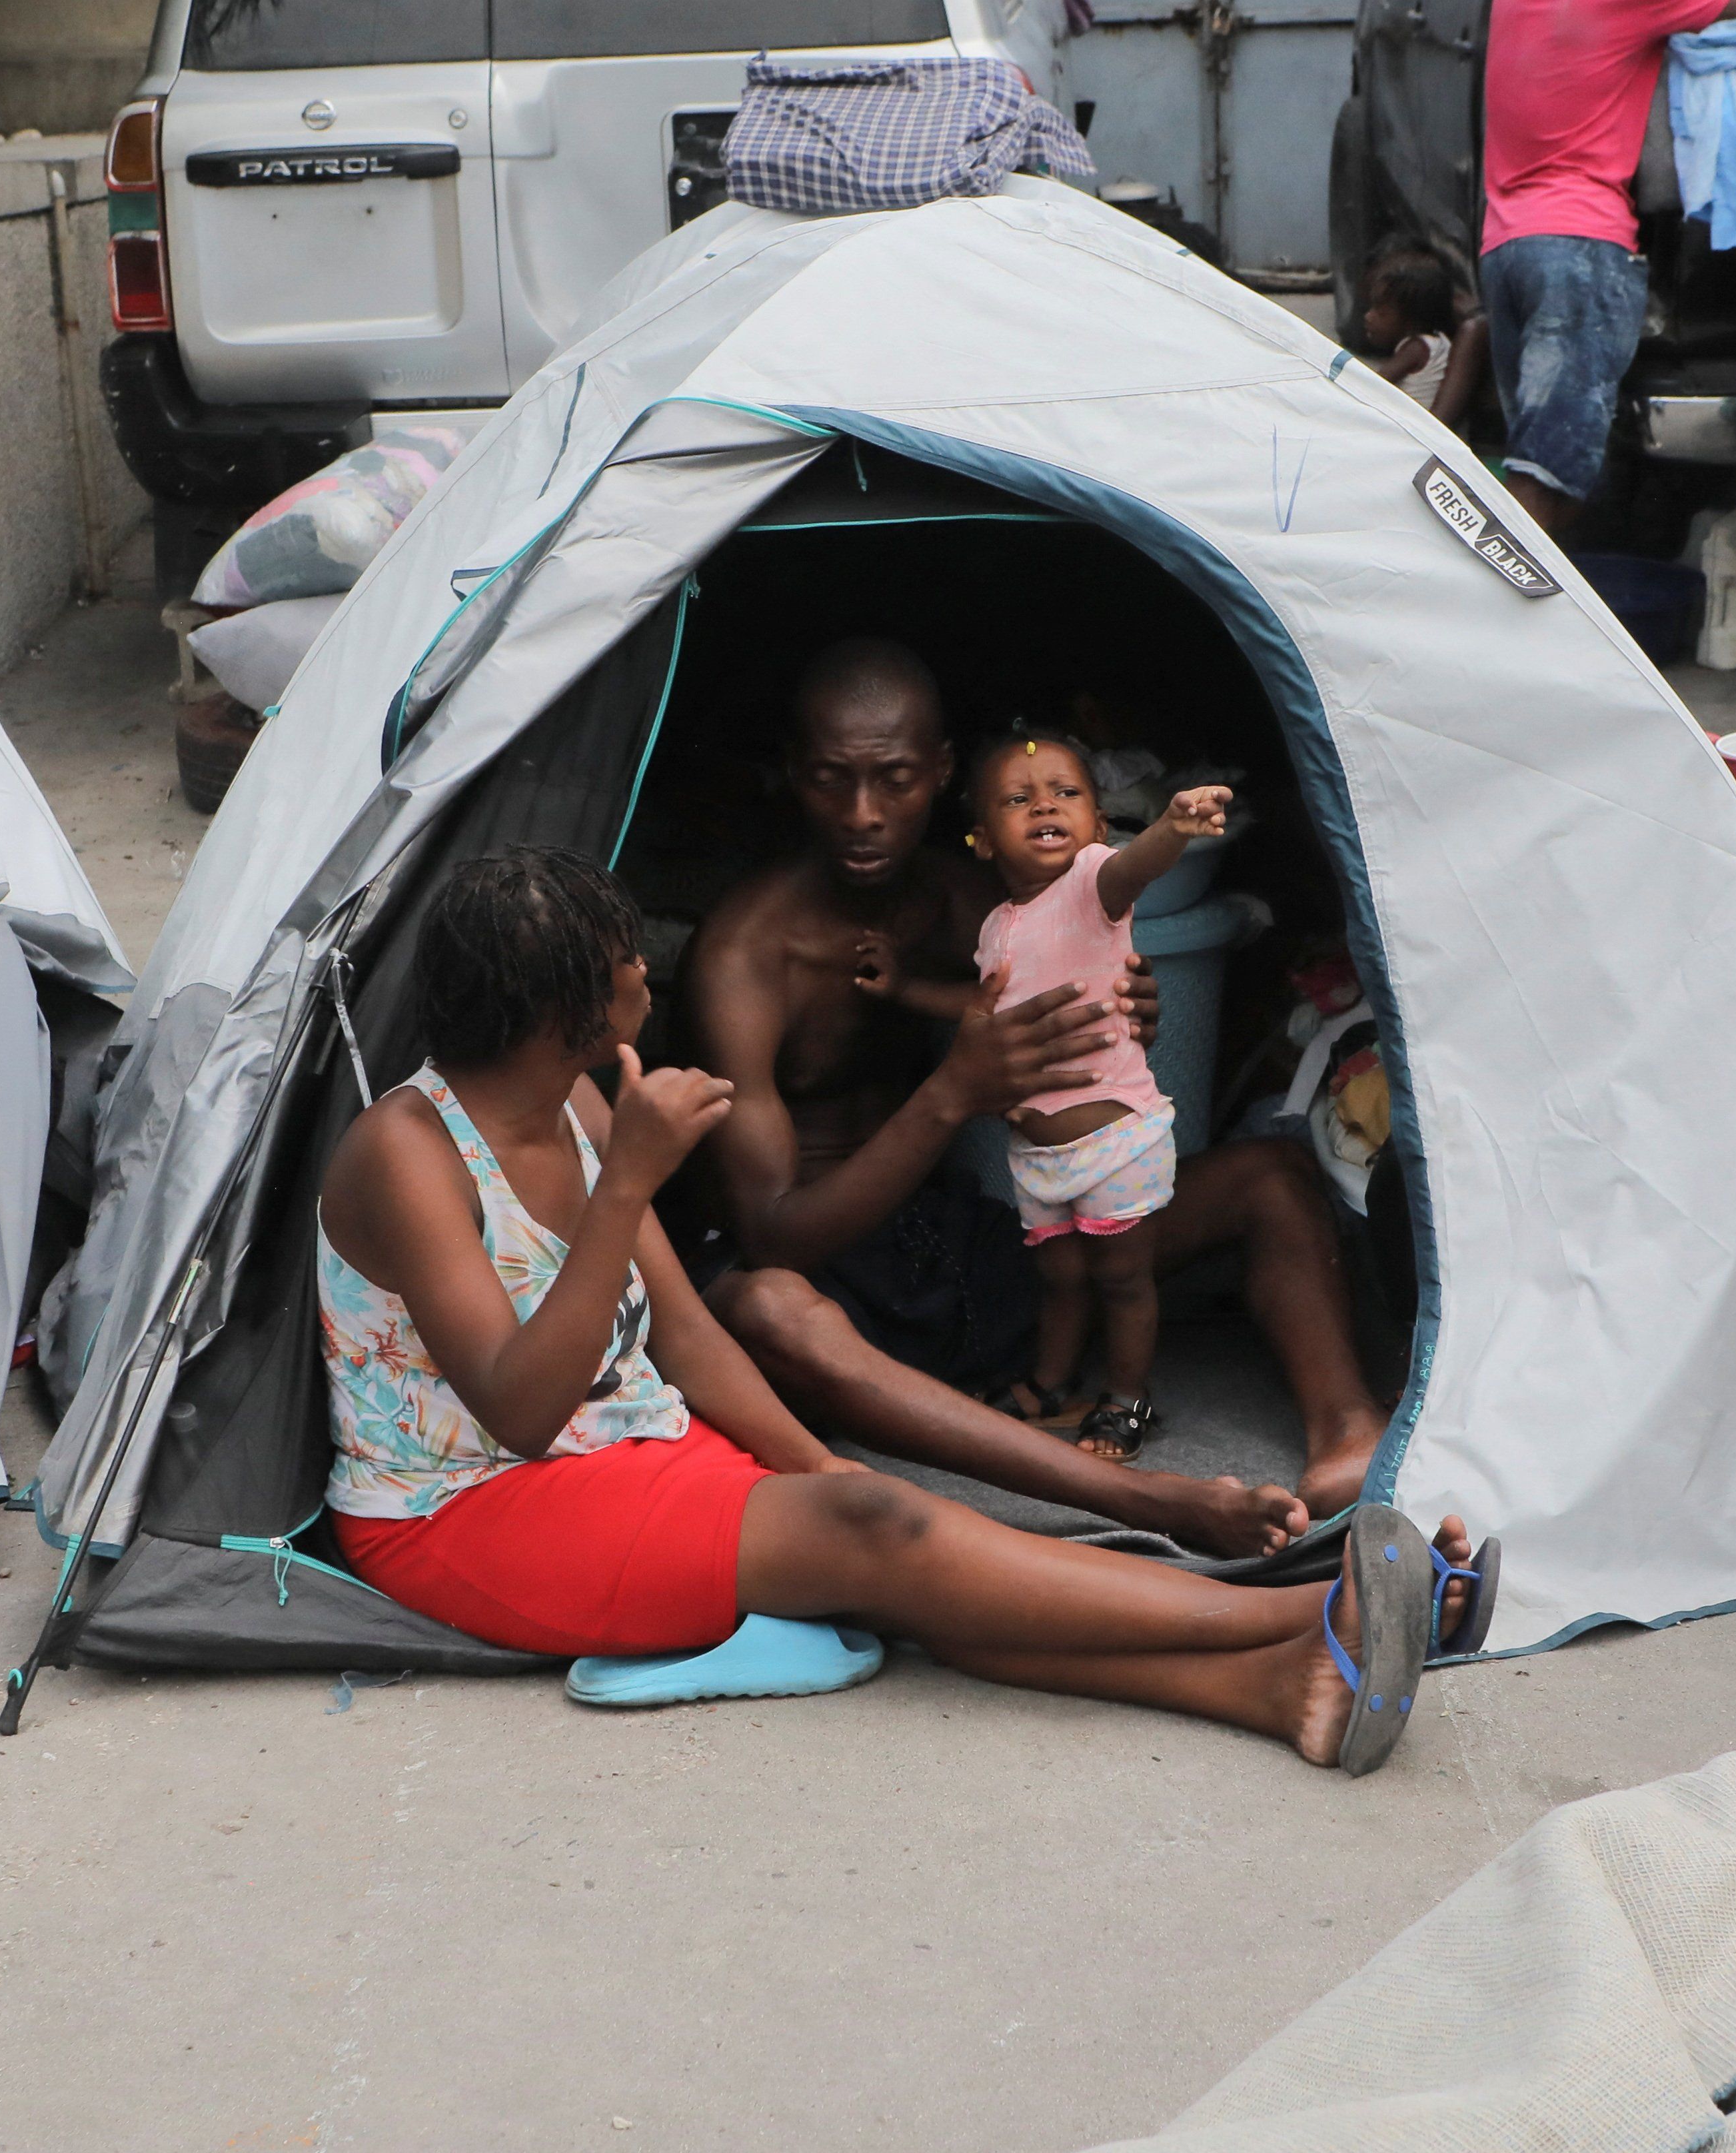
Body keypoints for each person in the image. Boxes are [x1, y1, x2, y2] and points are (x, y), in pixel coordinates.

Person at [315, 846, 1471, 1775]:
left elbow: (686, 1333)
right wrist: (630, 1185)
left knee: (887, 1543)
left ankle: (1285, 1685)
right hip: (462, 1508)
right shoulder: (407, 1154)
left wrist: (809, 1464)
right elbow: (518, 1411)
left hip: (620, 1446)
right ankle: (1313, 1612)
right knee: (892, 1537)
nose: (646, 977)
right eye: (626, 964)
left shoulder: (581, 1095)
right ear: (567, 1009)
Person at [683, 640, 1390, 1557]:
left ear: (940, 774)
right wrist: (951, 1096)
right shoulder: (743, 956)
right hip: (826, 1280)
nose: (863, 815)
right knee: (766, 1308)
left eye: (894, 780)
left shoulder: (964, 891)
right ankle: (1140, 1497)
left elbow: (1084, 957)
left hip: (955, 1243)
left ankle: (1348, 1427)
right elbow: (771, 1228)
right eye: (831, 781)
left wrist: (1131, 1005)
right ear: (792, 776)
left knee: (1268, 1175)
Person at [942, 738, 1231, 1461]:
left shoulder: (1091, 883)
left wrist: (1171, 825)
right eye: (1017, 798)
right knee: (1060, 1277)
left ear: (1099, 828)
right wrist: (903, 992)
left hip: (1115, 1142)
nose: (1043, 803)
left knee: (1124, 1278)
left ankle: (1128, 1396)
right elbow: (979, 1006)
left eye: (1064, 793)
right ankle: (1052, 1380)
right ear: (980, 839)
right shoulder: (996, 927)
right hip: (1036, 1154)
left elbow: (1139, 866)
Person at [1478, 0, 1736, 540]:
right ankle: (1498, 621)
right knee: (1548, 483)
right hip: (1583, 252)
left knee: (1534, 461)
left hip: (1505, 247)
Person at [1358, 242, 1481, 426]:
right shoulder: (1440, 342)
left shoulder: (1415, 349)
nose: (1369, 316)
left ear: (1410, 320)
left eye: (1381, 312)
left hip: (1413, 432)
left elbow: (1374, 384)